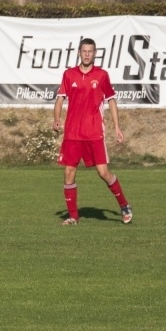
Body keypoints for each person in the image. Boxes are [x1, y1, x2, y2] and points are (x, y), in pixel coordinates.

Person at [53, 38, 132, 226]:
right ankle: (73, 216)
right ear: (79, 53)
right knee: (69, 172)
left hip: (94, 131)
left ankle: (124, 205)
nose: (87, 54)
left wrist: (117, 127)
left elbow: (111, 100)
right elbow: (59, 99)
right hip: (72, 133)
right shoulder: (69, 74)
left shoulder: (102, 75)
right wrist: (56, 119)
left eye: (90, 51)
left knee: (103, 172)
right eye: (84, 51)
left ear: (95, 53)